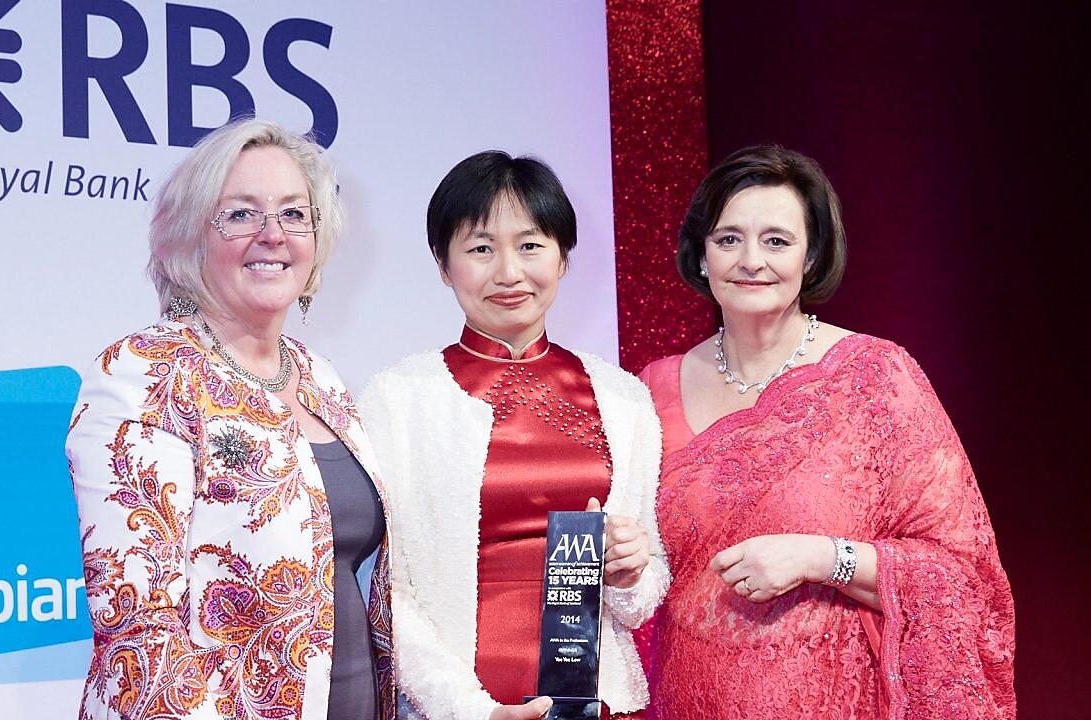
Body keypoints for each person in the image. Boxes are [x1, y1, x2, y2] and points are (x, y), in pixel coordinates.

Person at [638, 144, 1015, 718]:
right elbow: (644, 576)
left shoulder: (874, 377)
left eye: (777, 241)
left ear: (812, 257)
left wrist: (819, 558)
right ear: (701, 254)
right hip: (687, 697)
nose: (750, 261)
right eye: (728, 239)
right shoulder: (651, 388)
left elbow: (964, 576)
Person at [66, 118, 394, 720]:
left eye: (295, 214)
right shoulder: (143, 374)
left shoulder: (321, 377)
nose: (273, 234)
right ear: (189, 237)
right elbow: (139, 631)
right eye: (241, 214)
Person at [359, 151, 670, 720]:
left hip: (600, 703)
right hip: (459, 709)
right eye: (480, 249)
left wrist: (630, 570)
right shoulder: (397, 399)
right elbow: (384, 594)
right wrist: (470, 710)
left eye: (530, 245)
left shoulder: (624, 398)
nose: (508, 272)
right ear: (442, 264)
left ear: (563, 256)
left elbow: (646, 582)